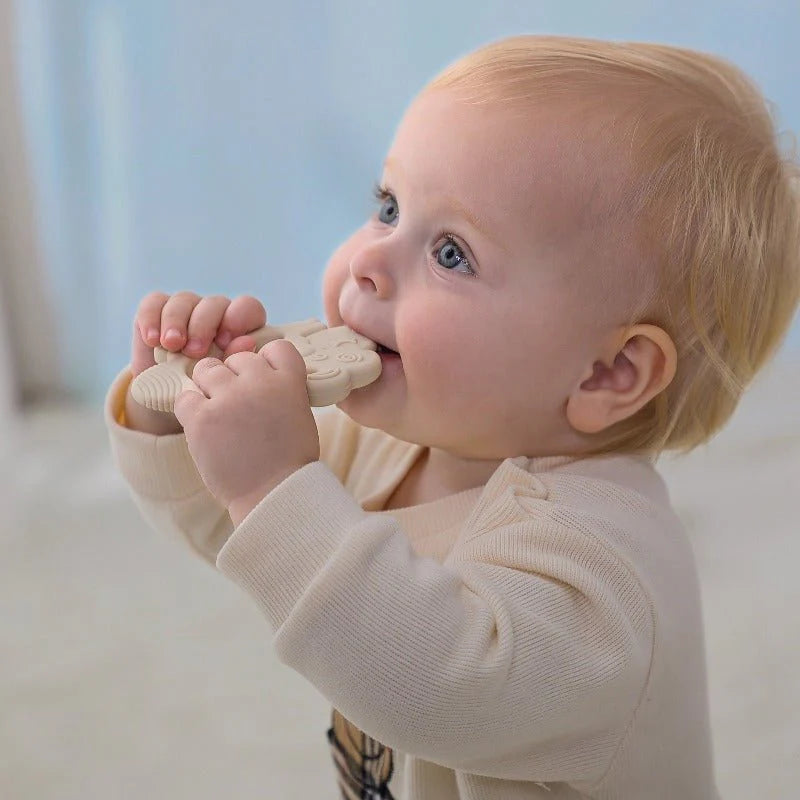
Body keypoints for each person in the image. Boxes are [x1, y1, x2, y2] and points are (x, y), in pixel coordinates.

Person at [105, 34, 800, 799]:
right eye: (388, 207)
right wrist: (183, 415)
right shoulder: (388, 441)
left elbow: (430, 688)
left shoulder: (601, 576)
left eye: (451, 254)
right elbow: (251, 536)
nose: (368, 261)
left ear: (607, 373)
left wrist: (272, 482)